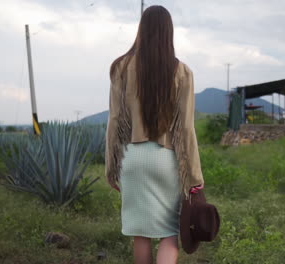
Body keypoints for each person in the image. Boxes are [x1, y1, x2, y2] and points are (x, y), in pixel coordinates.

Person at [105, 5, 205, 264]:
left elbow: (115, 121)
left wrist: (111, 167)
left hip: (131, 159)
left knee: (141, 235)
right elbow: (185, 128)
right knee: (170, 235)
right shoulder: (182, 72)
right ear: (168, 32)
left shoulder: (120, 67)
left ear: (142, 30)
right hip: (166, 161)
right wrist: (194, 175)